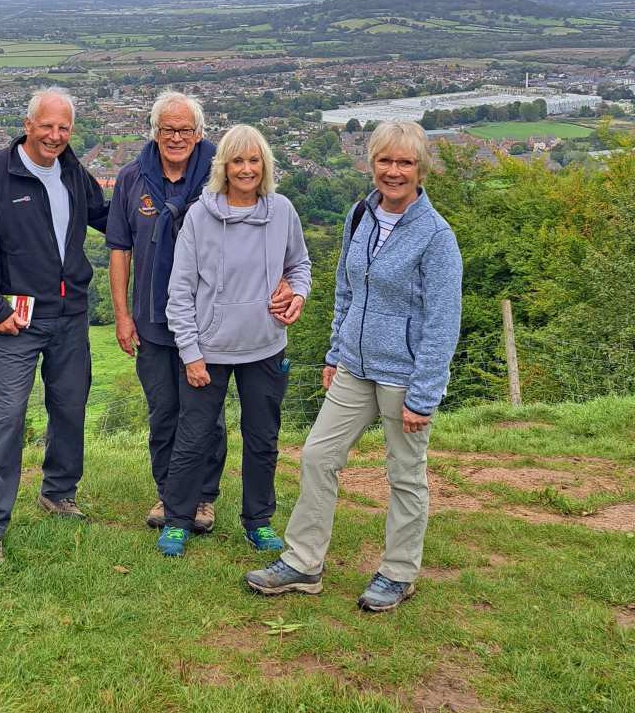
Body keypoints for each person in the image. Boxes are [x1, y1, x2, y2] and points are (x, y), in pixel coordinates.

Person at [245, 119, 462, 612]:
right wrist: (336, 352)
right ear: (370, 163)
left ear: (421, 167)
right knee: (319, 456)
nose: (393, 171)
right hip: (355, 368)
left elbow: (442, 323)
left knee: (405, 475)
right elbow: (347, 288)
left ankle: (398, 573)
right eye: (385, 160)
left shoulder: (436, 237)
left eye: (405, 162)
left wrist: (424, 394)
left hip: (403, 378)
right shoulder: (360, 215)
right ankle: (303, 563)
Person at [107, 93, 297, 534]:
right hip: (155, 319)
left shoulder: (222, 170)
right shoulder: (133, 178)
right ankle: (171, 493)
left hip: (216, 323)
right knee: (165, 412)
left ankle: (204, 499)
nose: (177, 138)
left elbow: (274, 242)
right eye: (168, 130)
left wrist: (287, 281)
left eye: (185, 130)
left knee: (206, 419)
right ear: (154, 133)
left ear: (200, 133)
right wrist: (122, 315)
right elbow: (120, 249)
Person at [0, 87, 109, 566]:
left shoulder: (72, 170)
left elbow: (106, 217)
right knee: (7, 416)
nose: (55, 135)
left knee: (69, 407)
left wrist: (161, 215)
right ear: (28, 125)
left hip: (70, 313)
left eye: (64, 128)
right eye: (47, 126)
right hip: (18, 320)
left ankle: (58, 492)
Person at [157, 124, 310, 558]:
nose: (246, 169)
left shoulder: (282, 211)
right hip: (210, 350)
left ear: (265, 166)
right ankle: (177, 520)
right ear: (223, 167)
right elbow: (180, 291)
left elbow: (300, 266)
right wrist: (191, 354)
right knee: (193, 438)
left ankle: (258, 521)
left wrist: (297, 294)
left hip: (265, 346)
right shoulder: (200, 218)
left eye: (254, 160)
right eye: (237, 161)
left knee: (262, 439)